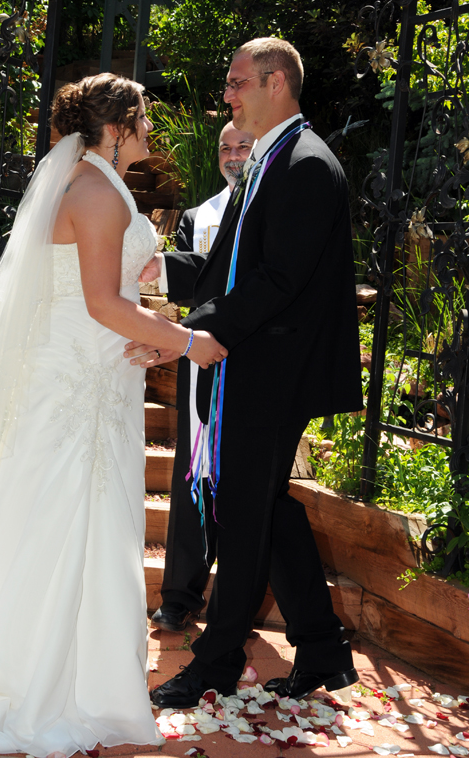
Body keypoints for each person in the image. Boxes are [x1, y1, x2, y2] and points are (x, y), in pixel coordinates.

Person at [0, 73, 227, 757]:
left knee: (65, 515)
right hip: (79, 383)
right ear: (116, 127)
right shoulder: (97, 193)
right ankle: (44, 681)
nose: (150, 130)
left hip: (95, 371)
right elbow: (100, 301)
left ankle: (77, 675)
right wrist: (187, 342)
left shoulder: (95, 185)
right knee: (61, 515)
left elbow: (110, 289)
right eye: (142, 118)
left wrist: (151, 322)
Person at [126, 38, 363, 707]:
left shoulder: (307, 164)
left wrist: (195, 336)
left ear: (276, 81)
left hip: (274, 371)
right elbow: (233, 265)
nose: (227, 94)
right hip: (256, 364)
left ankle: (216, 662)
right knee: (264, 505)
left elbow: (279, 279)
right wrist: (164, 271)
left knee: (242, 511)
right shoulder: (269, 157)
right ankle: (321, 646)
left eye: (237, 82)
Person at [151, 121, 254, 633]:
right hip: (203, 360)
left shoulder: (273, 208)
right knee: (191, 472)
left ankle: (236, 604)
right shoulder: (198, 217)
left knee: (245, 481)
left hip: (254, 361)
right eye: (224, 148)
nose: (233, 156)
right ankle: (179, 594)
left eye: (243, 146)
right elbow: (193, 291)